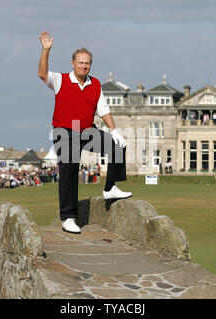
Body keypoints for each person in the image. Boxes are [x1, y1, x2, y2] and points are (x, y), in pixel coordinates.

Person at [38, 31, 132, 234]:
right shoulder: (61, 80)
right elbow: (42, 74)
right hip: (65, 131)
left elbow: (103, 109)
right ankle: (68, 217)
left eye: (87, 63)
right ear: (73, 63)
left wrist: (114, 130)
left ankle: (110, 188)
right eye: (81, 63)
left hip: (87, 130)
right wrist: (46, 51)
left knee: (117, 145)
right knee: (69, 171)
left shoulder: (95, 84)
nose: (84, 66)